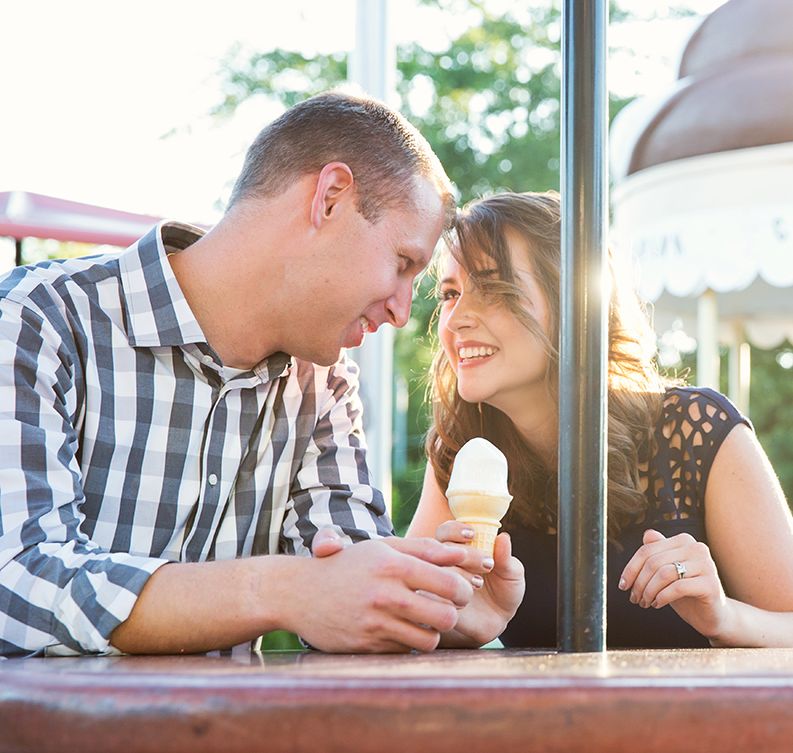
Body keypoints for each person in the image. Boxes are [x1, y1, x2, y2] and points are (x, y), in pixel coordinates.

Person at [0, 90, 492, 658]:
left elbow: (349, 586)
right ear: (330, 198)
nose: (403, 312)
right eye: (404, 263)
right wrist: (282, 588)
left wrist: (448, 605)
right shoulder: (36, 319)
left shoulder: (324, 386)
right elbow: (16, 579)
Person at [407, 191, 793, 649]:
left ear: (574, 305)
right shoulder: (464, 448)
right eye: (451, 294)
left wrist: (724, 617)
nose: (454, 320)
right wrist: (455, 623)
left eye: (493, 288)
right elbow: (413, 625)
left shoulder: (694, 430)